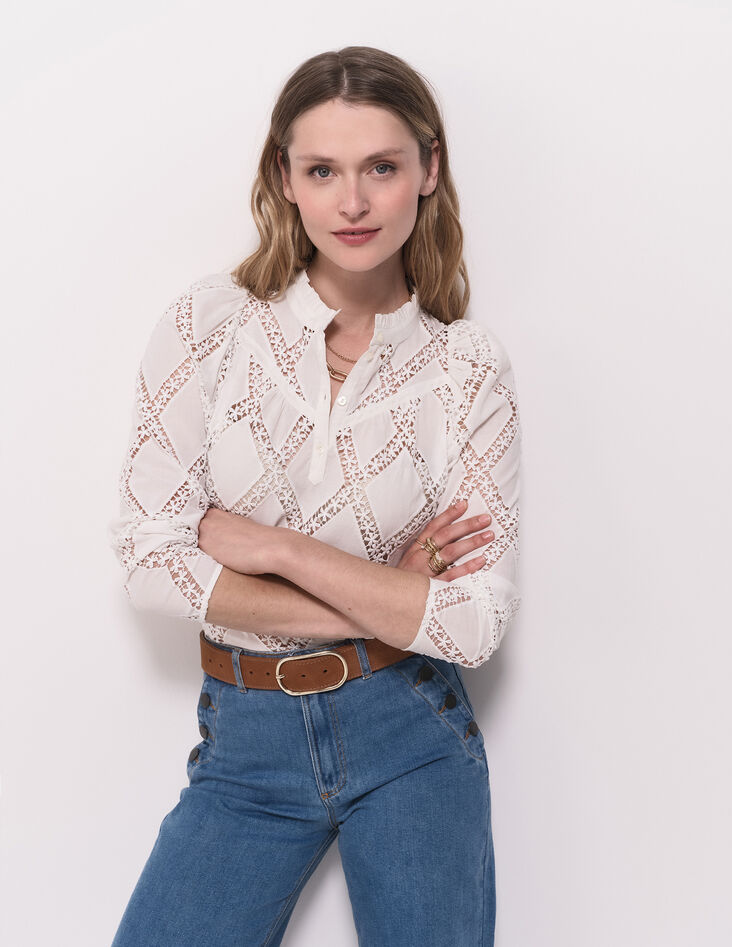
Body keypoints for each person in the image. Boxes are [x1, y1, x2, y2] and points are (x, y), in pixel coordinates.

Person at [108, 45, 521, 947]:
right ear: (285, 178)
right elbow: (148, 562)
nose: (354, 202)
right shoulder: (209, 325)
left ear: (429, 169)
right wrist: (390, 598)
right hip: (246, 741)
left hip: (410, 733)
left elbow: (474, 625)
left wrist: (278, 550)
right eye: (323, 170)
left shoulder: (466, 368)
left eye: (382, 167)